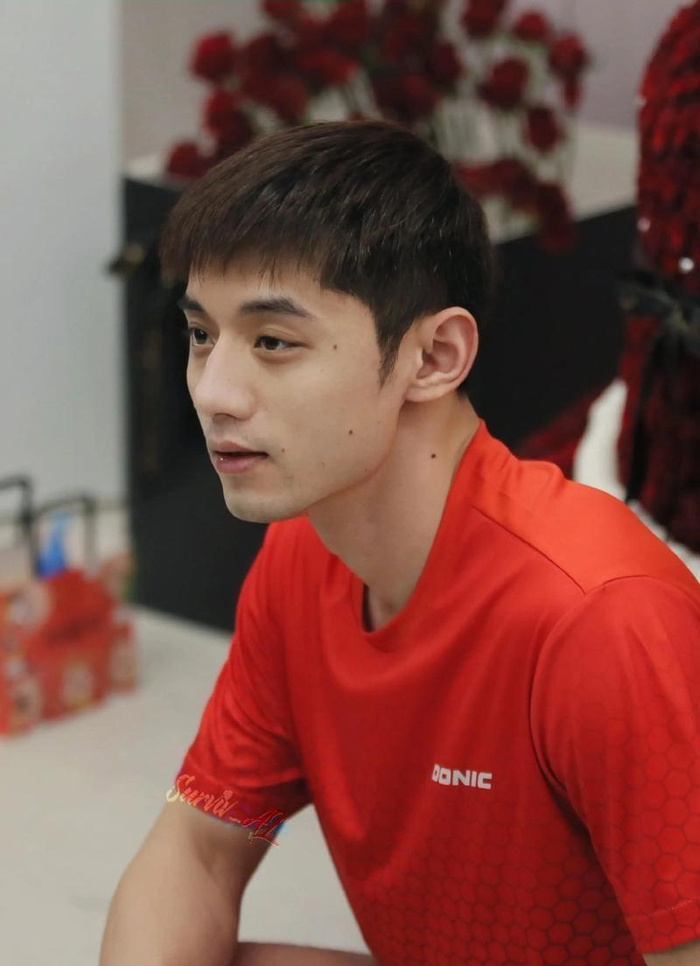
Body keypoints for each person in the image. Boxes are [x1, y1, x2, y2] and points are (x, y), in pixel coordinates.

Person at [100, 118, 700, 966]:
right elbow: (199, 847)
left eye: (273, 342)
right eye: (203, 334)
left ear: (434, 357)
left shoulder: (599, 619)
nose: (214, 392)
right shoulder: (302, 556)